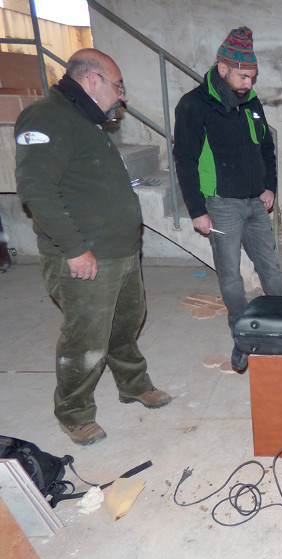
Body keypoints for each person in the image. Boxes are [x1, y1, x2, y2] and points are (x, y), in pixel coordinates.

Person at [14, 48, 171, 446]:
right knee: (86, 340)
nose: (122, 95)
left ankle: (133, 384)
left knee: (125, 325)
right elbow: (37, 191)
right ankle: (74, 413)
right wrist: (73, 249)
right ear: (93, 80)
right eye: (118, 86)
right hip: (86, 256)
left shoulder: (86, 119)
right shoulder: (45, 117)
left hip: (119, 251)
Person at [174, 26, 282, 373]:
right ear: (222, 68)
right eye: (243, 76)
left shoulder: (250, 103)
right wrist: (197, 210)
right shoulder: (194, 105)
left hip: (255, 201)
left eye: (252, 77)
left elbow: (266, 147)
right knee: (231, 275)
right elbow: (185, 160)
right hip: (221, 205)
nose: (249, 84)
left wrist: (270, 187)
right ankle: (242, 336)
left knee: (269, 265)